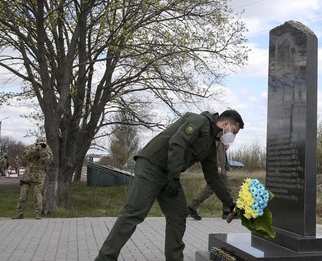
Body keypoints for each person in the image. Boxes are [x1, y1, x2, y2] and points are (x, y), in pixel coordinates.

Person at [95, 110, 244, 261]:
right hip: (151, 166)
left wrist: (230, 203)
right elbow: (177, 143)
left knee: (178, 214)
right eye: (234, 131)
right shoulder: (198, 121)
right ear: (226, 124)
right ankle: (105, 258)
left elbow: (213, 177)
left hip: (169, 174)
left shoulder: (210, 144)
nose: (233, 136)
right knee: (134, 212)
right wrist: (174, 177)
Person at [188, 141, 232, 220]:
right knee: (211, 188)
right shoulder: (216, 139)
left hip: (222, 169)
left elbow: (222, 154)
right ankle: (193, 206)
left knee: (226, 188)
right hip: (218, 169)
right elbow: (213, 153)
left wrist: (225, 166)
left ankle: (227, 211)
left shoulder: (222, 139)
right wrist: (217, 166)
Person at [12, 136, 53, 220]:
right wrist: (35, 149)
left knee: (37, 195)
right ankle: (20, 213)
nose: (40, 145)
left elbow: (48, 161)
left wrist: (42, 151)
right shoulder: (31, 147)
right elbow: (25, 156)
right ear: (36, 143)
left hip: (39, 176)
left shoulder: (47, 149)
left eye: (42, 144)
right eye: (39, 144)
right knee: (23, 195)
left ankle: (38, 214)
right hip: (28, 175)